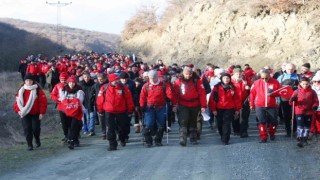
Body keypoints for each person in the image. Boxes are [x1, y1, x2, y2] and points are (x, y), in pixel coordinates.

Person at [96, 74, 135, 151]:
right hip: (109, 111)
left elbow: (129, 99)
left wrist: (130, 110)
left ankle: (122, 139)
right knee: (110, 128)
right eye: (114, 80)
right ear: (110, 81)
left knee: (122, 127)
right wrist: (100, 110)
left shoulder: (123, 88)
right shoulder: (104, 88)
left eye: (117, 80)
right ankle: (112, 145)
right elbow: (100, 100)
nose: (116, 81)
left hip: (121, 111)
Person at [139, 70, 176, 147]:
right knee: (148, 124)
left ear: (157, 77)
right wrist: (142, 105)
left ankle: (158, 140)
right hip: (149, 107)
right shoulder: (146, 86)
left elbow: (170, 94)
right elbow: (142, 96)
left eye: (153, 78)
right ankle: (148, 141)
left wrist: (169, 99)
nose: (152, 80)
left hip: (160, 107)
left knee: (161, 124)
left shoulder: (164, 85)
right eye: (150, 78)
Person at [173, 66, 207, 146]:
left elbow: (202, 94)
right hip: (183, 104)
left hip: (195, 104)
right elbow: (175, 94)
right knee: (183, 121)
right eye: (186, 74)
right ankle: (182, 138)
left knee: (193, 121)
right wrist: (175, 105)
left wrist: (203, 106)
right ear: (183, 73)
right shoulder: (178, 82)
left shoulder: (197, 81)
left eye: (190, 74)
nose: (188, 76)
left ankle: (193, 138)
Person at [14, 73, 48, 150]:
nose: (29, 82)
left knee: (35, 128)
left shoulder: (37, 90)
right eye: (27, 80)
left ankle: (37, 139)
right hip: (25, 113)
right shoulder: (21, 91)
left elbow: (43, 102)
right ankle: (30, 144)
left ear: (33, 81)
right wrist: (18, 111)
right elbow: (17, 103)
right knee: (27, 129)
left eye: (30, 80)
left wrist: (42, 112)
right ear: (24, 81)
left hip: (35, 113)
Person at [208, 73, 241, 145]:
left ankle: (226, 138)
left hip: (229, 108)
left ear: (230, 79)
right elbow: (212, 99)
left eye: (228, 78)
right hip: (219, 108)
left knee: (227, 123)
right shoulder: (216, 88)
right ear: (222, 79)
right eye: (225, 78)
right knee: (220, 123)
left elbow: (237, 100)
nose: (226, 80)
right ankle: (222, 134)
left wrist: (237, 110)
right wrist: (213, 109)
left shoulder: (233, 87)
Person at [250, 70, 282, 143]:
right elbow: (252, 94)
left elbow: (279, 92)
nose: (264, 80)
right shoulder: (256, 82)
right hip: (259, 105)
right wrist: (251, 104)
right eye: (262, 78)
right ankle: (263, 137)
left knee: (274, 121)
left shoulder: (275, 82)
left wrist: (273, 94)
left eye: (266, 78)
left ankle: (272, 132)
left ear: (269, 76)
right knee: (261, 121)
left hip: (272, 105)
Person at [289, 77, 319, 147]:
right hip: (299, 111)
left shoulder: (312, 92)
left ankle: (305, 139)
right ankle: (299, 139)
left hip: (309, 111)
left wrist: (315, 106)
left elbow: (316, 101)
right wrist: (293, 100)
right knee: (300, 125)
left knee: (307, 126)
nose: (305, 85)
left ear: (309, 83)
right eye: (303, 84)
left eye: (306, 84)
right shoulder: (296, 91)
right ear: (300, 83)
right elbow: (291, 103)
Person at [59, 77, 85, 149]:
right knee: (69, 126)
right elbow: (62, 100)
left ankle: (72, 141)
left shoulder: (79, 91)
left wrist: (69, 101)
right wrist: (72, 101)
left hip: (76, 111)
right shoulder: (64, 90)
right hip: (67, 111)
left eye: (73, 82)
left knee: (74, 126)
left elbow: (79, 101)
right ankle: (73, 140)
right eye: (70, 82)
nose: (71, 84)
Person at [277, 63, 300, 137]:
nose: (290, 71)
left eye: (292, 69)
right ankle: (288, 131)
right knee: (286, 115)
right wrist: (278, 100)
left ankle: (294, 130)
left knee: (295, 114)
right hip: (284, 99)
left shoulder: (298, 77)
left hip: (296, 98)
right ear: (285, 69)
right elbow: (278, 89)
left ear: (294, 69)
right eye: (289, 69)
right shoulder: (281, 77)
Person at [231, 68, 251, 138]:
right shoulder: (231, 82)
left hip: (244, 101)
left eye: (240, 74)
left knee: (244, 117)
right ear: (233, 74)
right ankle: (236, 130)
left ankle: (244, 132)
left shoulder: (245, 81)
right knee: (235, 117)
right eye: (237, 74)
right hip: (234, 102)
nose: (238, 75)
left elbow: (252, 89)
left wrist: (249, 89)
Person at [50, 72, 69, 142]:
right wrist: (57, 99)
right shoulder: (57, 86)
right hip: (61, 106)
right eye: (62, 80)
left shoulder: (70, 85)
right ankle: (66, 135)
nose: (63, 81)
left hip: (70, 106)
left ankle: (71, 134)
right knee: (63, 122)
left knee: (70, 121)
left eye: (65, 79)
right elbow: (52, 95)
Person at [79, 72, 96, 136]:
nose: (86, 78)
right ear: (83, 77)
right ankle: (86, 129)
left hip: (92, 102)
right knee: (86, 117)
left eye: (88, 77)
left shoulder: (93, 84)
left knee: (92, 116)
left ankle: (91, 129)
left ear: (90, 77)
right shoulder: (80, 85)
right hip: (84, 103)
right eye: (85, 77)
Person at [94, 73, 108, 139]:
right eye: (99, 79)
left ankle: (109, 132)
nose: (100, 81)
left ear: (105, 79)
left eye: (101, 79)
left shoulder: (108, 85)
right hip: (99, 105)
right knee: (102, 120)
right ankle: (104, 132)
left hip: (108, 105)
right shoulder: (96, 86)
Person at [311, 72, 320, 139]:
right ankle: (313, 133)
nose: (316, 83)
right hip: (312, 107)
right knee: (312, 121)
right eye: (315, 81)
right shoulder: (310, 88)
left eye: (319, 81)